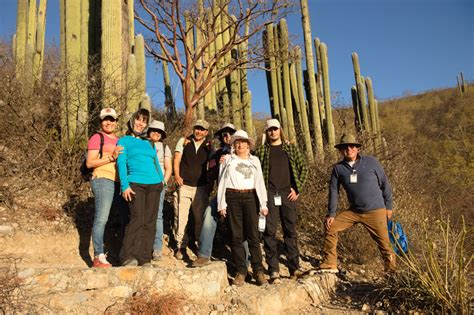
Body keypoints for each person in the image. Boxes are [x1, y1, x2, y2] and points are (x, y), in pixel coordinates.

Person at [319, 134, 396, 273]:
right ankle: (330, 263)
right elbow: (334, 190)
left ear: (358, 148)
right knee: (331, 227)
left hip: (376, 211)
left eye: (352, 146)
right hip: (354, 211)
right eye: (345, 147)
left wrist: (388, 207)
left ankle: (392, 274)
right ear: (341, 150)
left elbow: (385, 184)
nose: (349, 149)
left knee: (385, 244)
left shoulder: (371, 162)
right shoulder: (338, 168)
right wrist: (331, 213)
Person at [255, 118, 308, 283]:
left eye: (275, 129)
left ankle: (294, 268)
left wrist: (297, 188)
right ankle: (273, 270)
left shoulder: (290, 148)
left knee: (290, 231)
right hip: (269, 194)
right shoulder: (262, 151)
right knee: (270, 232)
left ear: (280, 130)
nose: (273, 132)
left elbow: (303, 168)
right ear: (267, 132)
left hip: (287, 195)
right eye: (270, 129)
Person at [218, 130, 268, 286]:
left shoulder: (255, 161)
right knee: (236, 236)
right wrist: (221, 203)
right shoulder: (227, 160)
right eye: (237, 142)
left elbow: (260, 182)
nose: (240, 144)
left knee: (253, 236)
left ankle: (259, 271)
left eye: (243, 142)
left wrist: (263, 203)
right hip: (232, 197)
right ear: (234, 145)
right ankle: (241, 271)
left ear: (248, 145)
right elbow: (222, 182)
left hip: (251, 197)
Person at [117, 109, 164, 267]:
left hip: (154, 185)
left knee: (150, 222)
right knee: (137, 219)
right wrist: (125, 185)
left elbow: (155, 162)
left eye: (144, 121)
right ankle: (128, 256)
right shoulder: (124, 141)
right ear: (132, 121)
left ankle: (145, 258)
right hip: (135, 183)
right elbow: (121, 163)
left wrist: (161, 181)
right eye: (138, 120)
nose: (140, 123)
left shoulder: (148, 143)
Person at [192, 123, 236, 267]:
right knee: (209, 215)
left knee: (239, 227)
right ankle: (204, 255)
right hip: (221, 194)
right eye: (224, 134)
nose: (227, 136)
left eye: (230, 133)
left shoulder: (245, 151)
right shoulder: (217, 154)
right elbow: (211, 172)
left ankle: (244, 262)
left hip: (240, 195)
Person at [86, 108, 124, 267]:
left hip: (117, 183)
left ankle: (112, 254)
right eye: (105, 119)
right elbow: (90, 163)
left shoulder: (120, 140)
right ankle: (98, 256)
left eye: (112, 119)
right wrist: (111, 157)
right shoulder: (97, 137)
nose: (108, 122)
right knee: (101, 218)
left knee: (116, 220)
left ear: (116, 122)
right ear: (101, 121)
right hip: (102, 179)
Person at [173, 119, 213, 259]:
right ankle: (181, 246)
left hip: (200, 187)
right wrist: (177, 175)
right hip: (184, 185)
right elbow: (177, 159)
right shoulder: (184, 141)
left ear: (206, 132)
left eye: (202, 129)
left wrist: (209, 185)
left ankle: (199, 245)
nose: (199, 131)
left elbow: (211, 166)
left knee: (199, 218)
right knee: (181, 216)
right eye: (197, 128)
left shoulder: (209, 146)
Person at [147, 120, 172, 261]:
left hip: (158, 184)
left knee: (157, 215)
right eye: (153, 130)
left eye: (159, 131)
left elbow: (168, 167)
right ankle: (144, 246)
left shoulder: (164, 147)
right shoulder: (143, 143)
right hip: (142, 183)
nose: (156, 133)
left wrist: (164, 182)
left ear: (162, 134)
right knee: (142, 214)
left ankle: (157, 248)